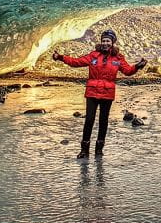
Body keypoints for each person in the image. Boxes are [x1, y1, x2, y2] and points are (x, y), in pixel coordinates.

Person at [52, 29, 147, 159]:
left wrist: (138, 66)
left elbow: (128, 71)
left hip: (107, 94)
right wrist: (61, 57)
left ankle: (99, 151)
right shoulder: (93, 55)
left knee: (103, 121)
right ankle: (84, 150)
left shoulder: (118, 58)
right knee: (89, 120)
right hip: (92, 92)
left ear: (112, 42)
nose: (105, 43)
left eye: (108, 41)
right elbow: (76, 62)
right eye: (103, 40)